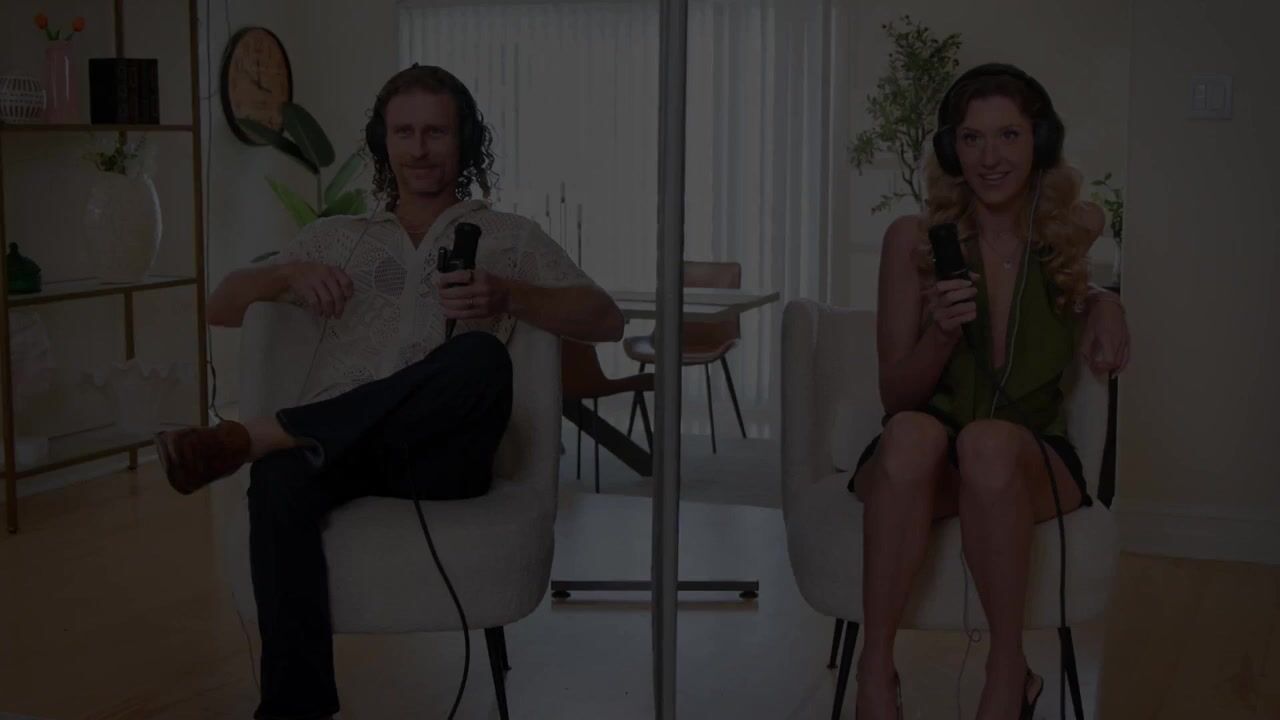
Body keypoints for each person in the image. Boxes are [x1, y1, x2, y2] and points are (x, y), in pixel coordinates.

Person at [154, 64, 623, 720]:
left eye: (436, 132)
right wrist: (285, 276)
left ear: (464, 141)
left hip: (445, 455)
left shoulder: (510, 237)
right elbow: (221, 304)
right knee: (280, 480)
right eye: (404, 132)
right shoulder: (334, 238)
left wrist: (508, 295)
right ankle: (294, 711)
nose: (419, 148)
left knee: (480, 356)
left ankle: (260, 435)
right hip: (342, 454)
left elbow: (606, 318)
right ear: (383, 141)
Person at [846, 63, 1131, 720]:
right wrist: (941, 334)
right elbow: (896, 397)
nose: (990, 157)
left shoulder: (1070, 233)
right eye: (971, 139)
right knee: (912, 432)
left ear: (1040, 142)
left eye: (1008, 135)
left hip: (1030, 459)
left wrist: (1106, 300)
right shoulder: (914, 241)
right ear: (952, 150)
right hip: (929, 457)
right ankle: (875, 671)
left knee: (990, 443)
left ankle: (1008, 670)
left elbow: (1084, 279)